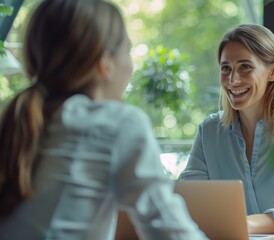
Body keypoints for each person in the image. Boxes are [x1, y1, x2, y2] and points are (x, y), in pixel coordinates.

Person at [0, 1, 206, 239]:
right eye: (127, 51)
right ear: (105, 64)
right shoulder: (116, 123)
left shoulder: (17, 119)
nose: (130, 67)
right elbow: (173, 233)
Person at [179, 24, 274, 234]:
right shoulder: (210, 130)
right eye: (226, 68)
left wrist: (242, 224)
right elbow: (188, 201)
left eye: (245, 67)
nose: (233, 80)